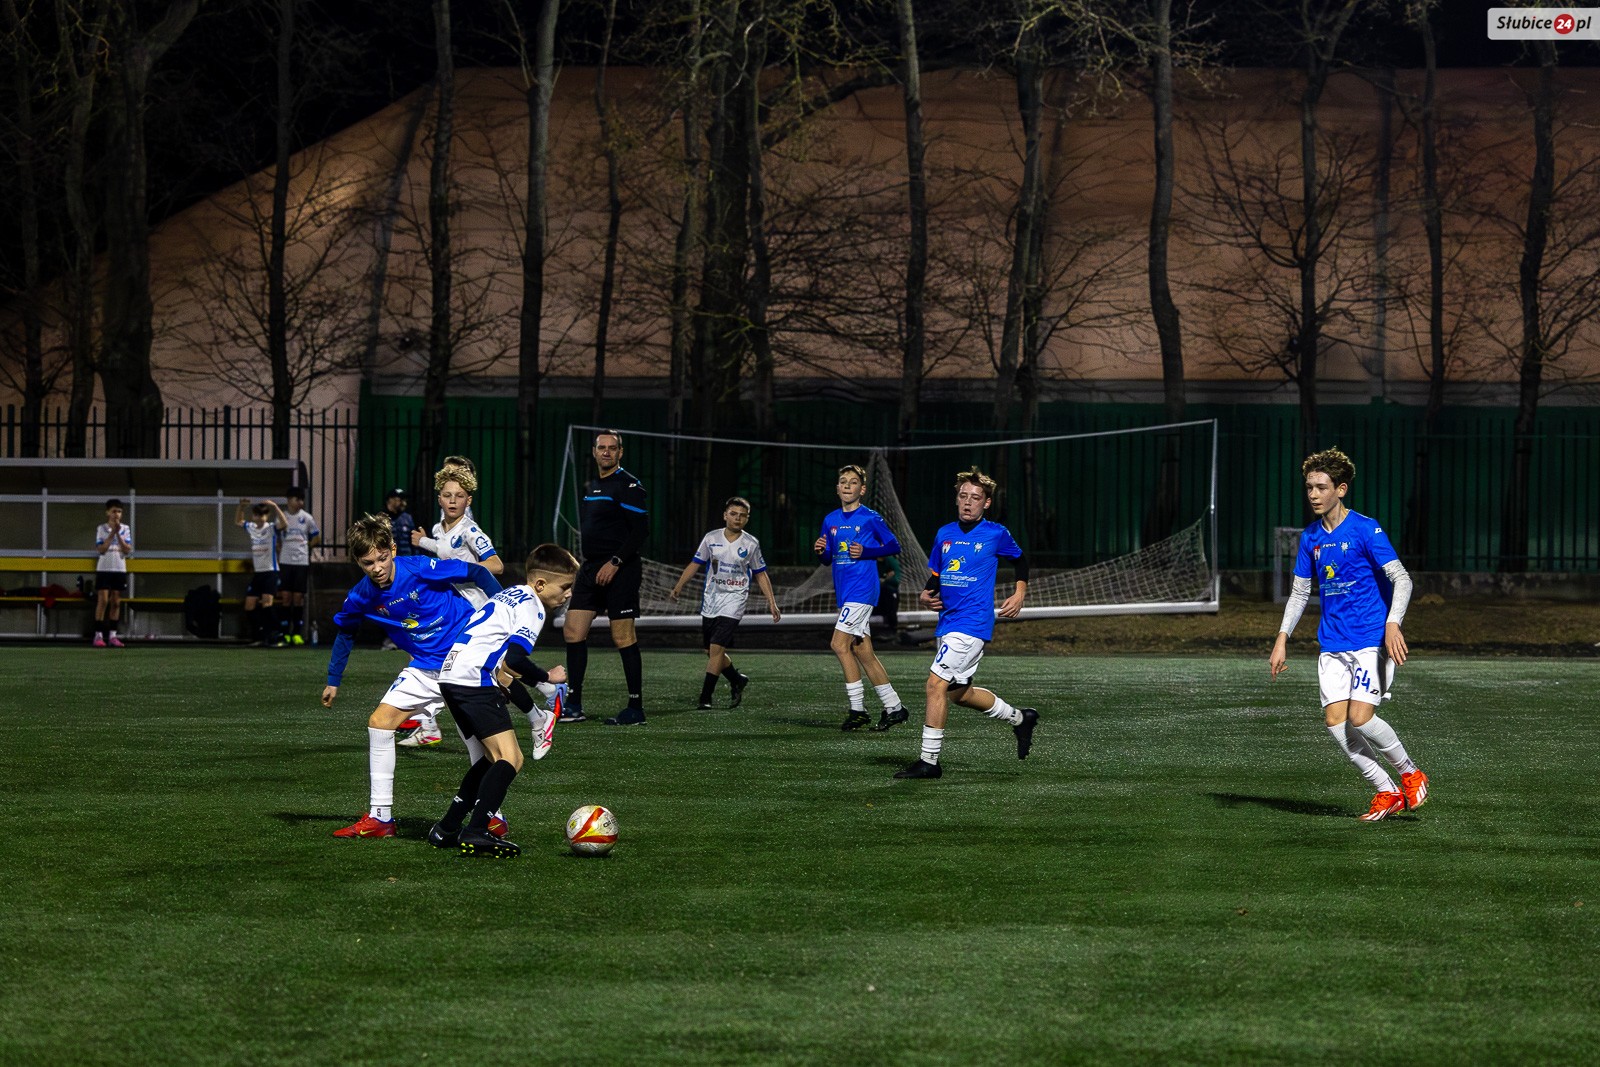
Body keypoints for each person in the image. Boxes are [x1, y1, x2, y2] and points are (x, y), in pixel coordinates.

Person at [1270, 447, 1429, 822]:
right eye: (1309, 487)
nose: (1313, 495)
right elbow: (1299, 593)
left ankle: (1410, 773)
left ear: (1340, 489)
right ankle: (1386, 791)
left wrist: (1393, 623)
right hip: (1332, 644)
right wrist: (1282, 638)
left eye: (1321, 487)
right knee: (1335, 722)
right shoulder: (1310, 538)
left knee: (1360, 717)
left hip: (1371, 639)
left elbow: (1402, 579)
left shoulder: (1365, 528)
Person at [321, 513, 503, 839]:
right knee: (380, 723)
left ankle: (491, 816)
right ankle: (380, 818)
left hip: (464, 660)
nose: (377, 567)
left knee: (480, 746)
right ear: (358, 562)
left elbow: (476, 572)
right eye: (368, 563)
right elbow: (345, 631)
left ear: (392, 549)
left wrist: (504, 611)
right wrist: (334, 679)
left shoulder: (419, 567)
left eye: (382, 558)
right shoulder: (361, 595)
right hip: (424, 667)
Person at [429, 543, 580, 858]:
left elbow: (506, 665)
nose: (568, 594)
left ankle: (447, 827)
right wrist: (548, 677)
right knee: (511, 759)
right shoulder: (533, 607)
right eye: (565, 586)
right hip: (473, 679)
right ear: (541, 584)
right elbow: (514, 660)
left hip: (450, 675)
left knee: (490, 758)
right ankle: (476, 830)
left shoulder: (510, 594)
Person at [896, 468, 1038, 780]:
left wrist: (1019, 594)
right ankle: (1020, 718)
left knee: (935, 684)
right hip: (948, 623)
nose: (968, 502)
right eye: (963, 496)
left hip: (972, 624)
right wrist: (926, 593)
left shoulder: (996, 533)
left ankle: (929, 762)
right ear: (957, 499)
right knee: (960, 694)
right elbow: (938, 574)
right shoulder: (944, 533)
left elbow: (1021, 561)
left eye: (975, 497)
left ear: (986, 503)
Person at [402, 463, 506, 746]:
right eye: (447, 495)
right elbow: (445, 549)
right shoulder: (439, 528)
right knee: (430, 658)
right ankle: (428, 725)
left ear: (468, 500)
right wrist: (424, 541)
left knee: (493, 672)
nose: (452, 500)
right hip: (452, 609)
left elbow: (496, 565)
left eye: (459, 496)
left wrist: (464, 570)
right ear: (439, 499)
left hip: (476, 609)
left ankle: (547, 689)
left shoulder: (471, 530)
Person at [563, 430, 649, 726]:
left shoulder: (629, 485)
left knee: (622, 636)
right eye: (602, 447)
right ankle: (574, 704)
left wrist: (615, 562)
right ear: (594, 451)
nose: (607, 452)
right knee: (573, 631)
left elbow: (640, 531)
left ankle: (635, 708)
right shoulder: (593, 486)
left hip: (620, 569)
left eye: (612, 448)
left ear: (620, 452)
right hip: (591, 569)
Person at [814, 464, 907, 731]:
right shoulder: (830, 520)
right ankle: (895, 707)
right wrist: (821, 551)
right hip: (845, 592)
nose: (847, 485)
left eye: (853, 482)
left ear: (862, 489)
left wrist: (866, 552)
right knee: (863, 652)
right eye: (843, 481)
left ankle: (857, 710)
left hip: (862, 589)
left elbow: (894, 546)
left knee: (838, 644)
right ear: (837, 488)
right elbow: (828, 558)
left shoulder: (870, 518)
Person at [669, 496, 782, 710]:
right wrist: (679, 586)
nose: (737, 518)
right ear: (725, 515)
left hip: (735, 599)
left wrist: (772, 602)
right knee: (711, 651)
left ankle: (705, 697)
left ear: (747, 519)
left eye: (742, 515)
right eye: (733, 514)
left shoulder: (751, 543)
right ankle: (736, 679)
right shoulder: (711, 538)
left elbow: (760, 573)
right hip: (712, 598)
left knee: (717, 647)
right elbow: (695, 563)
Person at [236, 498, 287, 646]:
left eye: (262, 515)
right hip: (258, 573)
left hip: (270, 572)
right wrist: (241, 507)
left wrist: (275, 506)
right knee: (249, 605)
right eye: (256, 515)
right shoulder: (251, 527)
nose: (259, 518)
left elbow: (284, 524)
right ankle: (258, 636)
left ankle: (277, 635)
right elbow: (238, 521)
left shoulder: (270, 528)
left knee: (267, 604)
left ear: (267, 516)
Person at [278, 487, 321, 646]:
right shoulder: (282, 517)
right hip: (285, 561)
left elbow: (316, 537)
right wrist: (280, 550)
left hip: (301, 562)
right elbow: (276, 537)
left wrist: (306, 546)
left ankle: (296, 633)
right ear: (289, 500)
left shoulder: (307, 518)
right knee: (285, 597)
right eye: (297, 499)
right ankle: (285, 633)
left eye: (302, 500)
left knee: (298, 598)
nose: (300, 502)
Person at [93, 499, 132, 648]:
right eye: (114, 511)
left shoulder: (125, 528)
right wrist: (112, 534)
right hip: (104, 568)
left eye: (119, 511)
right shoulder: (101, 528)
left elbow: (127, 549)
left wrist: (119, 534)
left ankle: (113, 636)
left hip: (119, 568)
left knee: (116, 602)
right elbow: (101, 549)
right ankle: (98, 635)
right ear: (108, 512)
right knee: (103, 600)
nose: (116, 514)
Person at [384, 489, 417, 556]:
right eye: (401, 500)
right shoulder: (381, 518)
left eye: (405, 500)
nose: (404, 504)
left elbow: (413, 541)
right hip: (388, 559)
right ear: (391, 500)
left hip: (406, 558)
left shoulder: (407, 518)